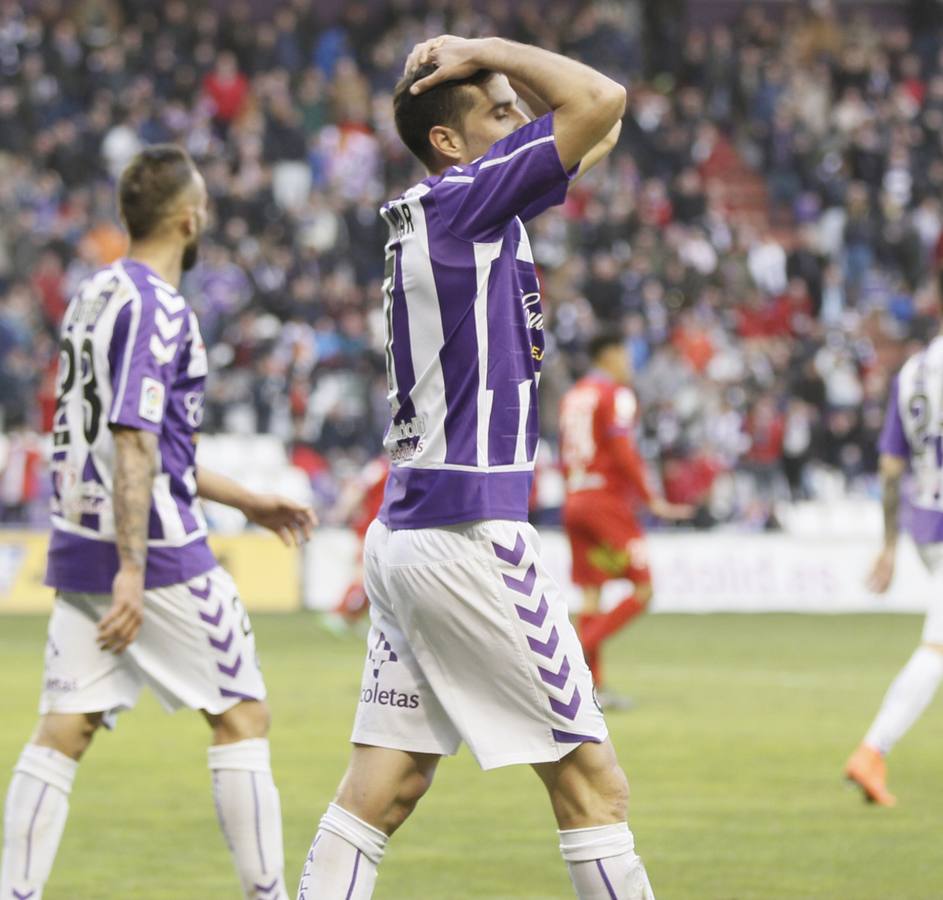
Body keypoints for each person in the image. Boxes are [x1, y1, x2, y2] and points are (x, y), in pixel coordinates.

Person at [296, 35, 656, 900]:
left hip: (410, 533)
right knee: (593, 788)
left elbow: (592, 130)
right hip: (469, 537)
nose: (524, 118)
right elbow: (600, 100)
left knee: (381, 792)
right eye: (500, 111)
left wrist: (498, 83)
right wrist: (484, 45)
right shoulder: (467, 204)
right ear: (451, 143)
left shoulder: (448, 207)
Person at [0, 145, 317, 900]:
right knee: (242, 713)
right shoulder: (158, 307)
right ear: (187, 217)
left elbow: (148, 439)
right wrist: (135, 571)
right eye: (201, 204)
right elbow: (135, 440)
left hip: (76, 541)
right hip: (154, 552)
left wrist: (244, 499)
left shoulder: (92, 295)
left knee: (65, 729)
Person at [560, 334, 692, 705]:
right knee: (643, 588)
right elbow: (623, 450)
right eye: (627, 354)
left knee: (590, 596)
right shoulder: (615, 394)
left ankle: (592, 690)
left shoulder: (573, 396)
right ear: (612, 353)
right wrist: (652, 498)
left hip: (575, 498)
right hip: (605, 501)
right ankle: (571, 655)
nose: (630, 363)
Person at [845, 332, 943, 807]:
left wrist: (889, 543)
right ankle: (872, 750)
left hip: (926, 524)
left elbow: (889, 468)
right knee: (937, 647)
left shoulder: (913, 373)